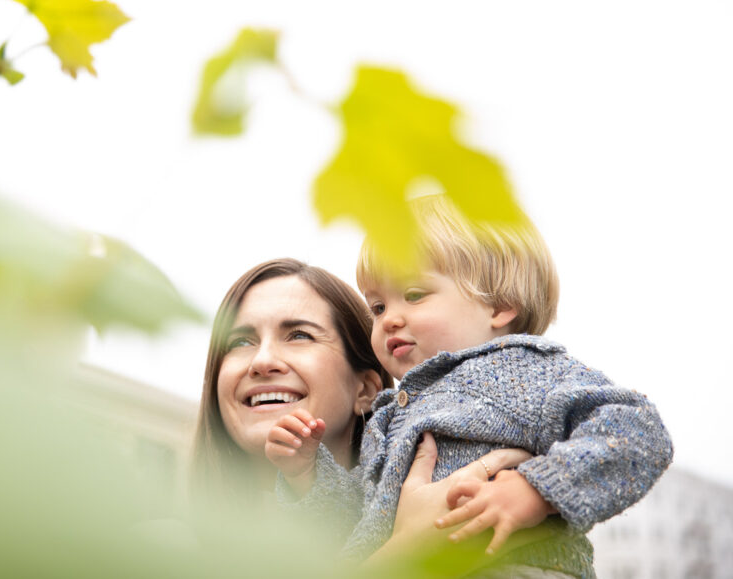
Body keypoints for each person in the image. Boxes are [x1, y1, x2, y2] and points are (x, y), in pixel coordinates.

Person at [266, 195, 673, 577]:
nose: (388, 319)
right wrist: (309, 475)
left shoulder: (526, 370)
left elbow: (638, 431)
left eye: (413, 294)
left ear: (498, 305)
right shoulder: (389, 417)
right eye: (378, 306)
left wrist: (537, 489)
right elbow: (363, 523)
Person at [189, 257, 535, 567]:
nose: (262, 361)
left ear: (367, 390)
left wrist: (534, 492)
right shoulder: (168, 550)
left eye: (298, 335)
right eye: (239, 342)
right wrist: (408, 548)